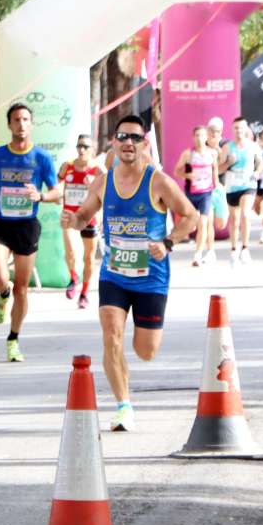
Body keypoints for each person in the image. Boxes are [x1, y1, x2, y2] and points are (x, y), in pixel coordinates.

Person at [64, 115, 198, 432]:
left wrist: (168, 242)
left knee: (145, 351)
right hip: (114, 274)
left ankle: (129, 383)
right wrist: (74, 221)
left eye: (135, 138)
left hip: (151, 277)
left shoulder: (159, 181)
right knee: (111, 335)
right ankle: (124, 405)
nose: (128, 143)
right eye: (122, 137)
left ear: (144, 144)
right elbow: (85, 213)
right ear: (113, 142)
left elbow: (190, 216)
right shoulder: (103, 181)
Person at [0, 103, 62, 362]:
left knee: (23, 289)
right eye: (16, 119)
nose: (21, 124)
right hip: (1, 223)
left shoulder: (41, 157)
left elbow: (57, 191)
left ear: (32, 123)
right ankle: (2, 294)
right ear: (9, 125)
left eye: (26, 119)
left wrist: (41, 195)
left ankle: (13, 339)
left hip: (26, 225)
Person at [58, 134, 102, 306]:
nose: (81, 150)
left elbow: (108, 193)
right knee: (69, 250)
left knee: (89, 258)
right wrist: (55, 194)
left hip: (90, 217)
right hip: (70, 214)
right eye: (79, 146)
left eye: (85, 147)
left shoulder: (98, 171)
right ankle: (73, 277)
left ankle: (84, 293)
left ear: (93, 150)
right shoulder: (67, 166)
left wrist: (95, 185)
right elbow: (56, 183)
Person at [218, 116, 262, 267]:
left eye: (241, 128)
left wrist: (257, 172)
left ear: (246, 129)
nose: (239, 131)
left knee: (245, 214)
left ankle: (245, 248)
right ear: (232, 129)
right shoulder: (227, 147)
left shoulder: (253, 146)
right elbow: (218, 169)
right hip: (232, 187)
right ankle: (233, 249)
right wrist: (228, 162)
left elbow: (261, 162)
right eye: (236, 128)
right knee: (235, 221)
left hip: (248, 184)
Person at [172, 126, 218, 268]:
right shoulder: (188, 154)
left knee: (203, 222)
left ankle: (198, 255)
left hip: (207, 192)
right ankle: (210, 251)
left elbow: (214, 168)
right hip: (191, 193)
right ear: (193, 137)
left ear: (206, 138)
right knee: (190, 224)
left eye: (202, 135)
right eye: (196, 135)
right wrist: (187, 175)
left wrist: (216, 184)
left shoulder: (212, 153)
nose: (199, 138)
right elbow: (176, 171)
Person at [205, 117, 229, 263]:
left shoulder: (225, 144)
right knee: (208, 221)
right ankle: (210, 251)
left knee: (221, 224)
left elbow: (223, 162)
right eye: (212, 131)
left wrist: (217, 148)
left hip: (221, 188)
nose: (214, 134)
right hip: (206, 189)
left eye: (217, 131)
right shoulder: (202, 146)